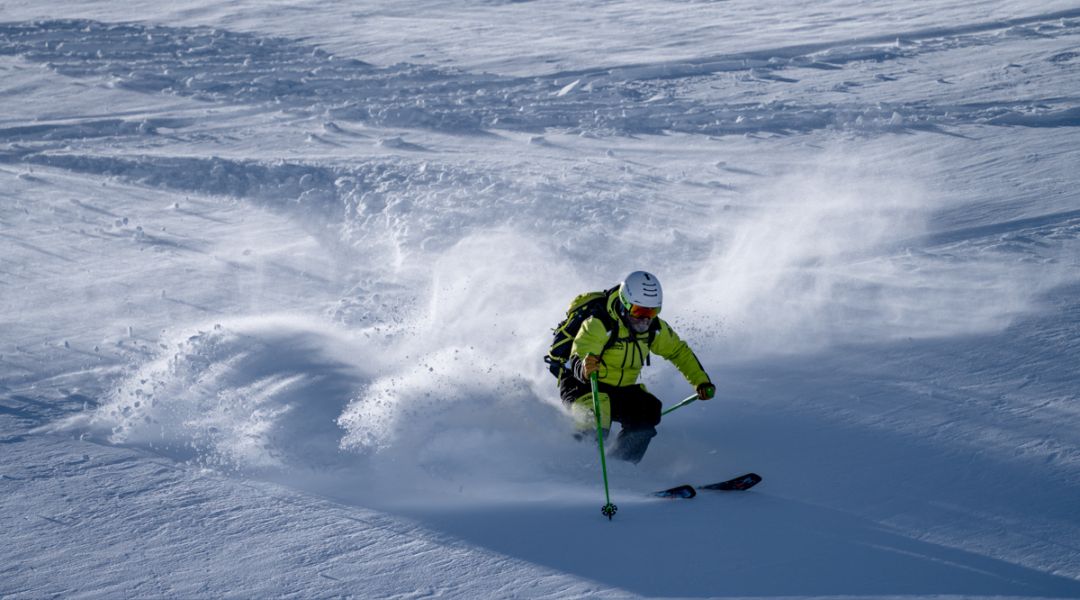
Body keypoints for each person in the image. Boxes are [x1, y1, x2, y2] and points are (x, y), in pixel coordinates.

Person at [560, 271, 715, 463]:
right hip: (583, 384)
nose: (645, 320)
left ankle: (621, 467)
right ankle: (574, 469)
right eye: (639, 312)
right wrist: (584, 366)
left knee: (648, 410)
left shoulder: (654, 329)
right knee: (596, 419)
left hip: (619, 390)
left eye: (651, 312)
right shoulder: (601, 323)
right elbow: (581, 350)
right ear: (625, 304)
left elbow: (678, 352)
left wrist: (700, 381)